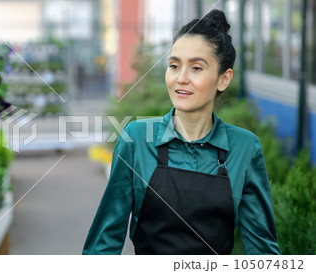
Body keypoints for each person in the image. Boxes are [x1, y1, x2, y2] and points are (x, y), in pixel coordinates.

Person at [82, 10, 281, 255]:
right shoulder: (136, 139)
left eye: (196, 68)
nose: (181, 78)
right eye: (174, 66)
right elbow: (103, 245)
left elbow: (263, 254)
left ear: (223, 79)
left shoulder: (245, 148)